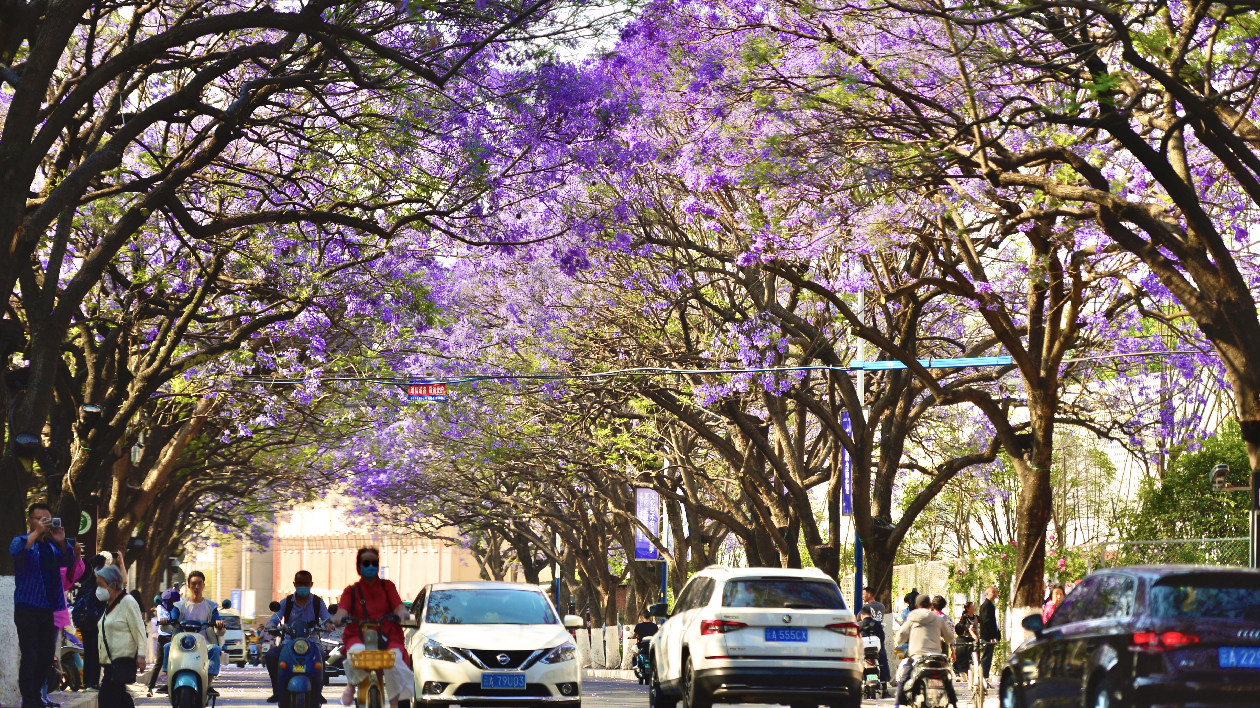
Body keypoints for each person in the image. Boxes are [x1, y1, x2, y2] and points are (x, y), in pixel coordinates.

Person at [329, 547, 413, 708]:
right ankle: (351, 685)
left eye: (374, 563)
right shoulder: (351, 591)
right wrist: (339, 617)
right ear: (359, 567)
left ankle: (396, 703)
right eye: (366, 563)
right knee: (356, 655)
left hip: (388, 636)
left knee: (396, 661)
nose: (370, 566)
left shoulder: (387, 586)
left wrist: (402, 613)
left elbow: (398, 606)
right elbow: (343, 609)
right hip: (357, 635)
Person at [9, 503, 73, 708]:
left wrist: (63, 542)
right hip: (27, 606)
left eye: (47, 519)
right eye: (39, 519)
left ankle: (37, 695)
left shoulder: (52, 545)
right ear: (30, 520)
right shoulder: (23, 541)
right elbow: (15, 551)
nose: (44, 523)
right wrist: (36, 533)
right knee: (31, 654)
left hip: (48, 608)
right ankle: (29, 700)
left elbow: (68, 560)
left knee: (46, 656)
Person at [265, 570, 334, 703]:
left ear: (311, 584)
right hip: (289, 644)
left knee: (321, 654)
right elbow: (275, 619)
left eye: (306, 584)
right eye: (300, 583)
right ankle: (277, 691)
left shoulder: (317, 602)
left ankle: (318, 691)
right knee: (272, 655)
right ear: (294, 584)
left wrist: (329, 625)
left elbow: (327, 619)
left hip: (312, 643)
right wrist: (271, 626)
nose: (303, 586)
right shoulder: (286, 602)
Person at [164, 571, 224, 696]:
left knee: (215, 649)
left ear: (203, 585)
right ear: (189, 586)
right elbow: (171, 623)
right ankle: (168, 682)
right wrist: (166, 622)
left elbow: (219, 628)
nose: (196, 587)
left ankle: (207, 685)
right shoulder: (179, 606)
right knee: (167, 647)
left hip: (204, 644)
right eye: (193, 584)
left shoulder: (211, 607)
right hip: (181, 644)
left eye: (199, 583)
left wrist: (219, 624)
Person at [96, 565, 147, 708]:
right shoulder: (108, 605)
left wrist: (141, 655)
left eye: (101, 585)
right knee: (118, 699)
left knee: (107, 697)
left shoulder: (128, 602)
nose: (98, 589)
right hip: (109, 664)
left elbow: (139, 630)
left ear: (112, 584)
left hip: (121, 662)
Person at [894, 594, 956, 708]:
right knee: (947, 680)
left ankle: (898, 705)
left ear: (917, 605)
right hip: (937, 658)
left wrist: (899, 642)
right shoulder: (938, 619)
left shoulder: (912, 618)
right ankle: (954, 703)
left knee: (903, 680)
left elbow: (900, 636)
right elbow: (950, 638)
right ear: (930, 605)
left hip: (917, 658)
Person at [73, 553, 107, 691]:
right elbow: (103, 596)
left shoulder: (85, 581)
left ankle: (87, 682)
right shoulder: (98, 580)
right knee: (95, 652)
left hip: (84, 620)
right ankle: (93, 682)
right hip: (95, 621)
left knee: (88, 652)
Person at [146, 589, 179, 695]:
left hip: (173, 637)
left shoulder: (177, 608)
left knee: (174, 662)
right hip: (164, 637)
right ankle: (150, 688)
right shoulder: (160, 608)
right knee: (159, 662)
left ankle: (172, 686)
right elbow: (163, 620)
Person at [860, 587, 890, 695]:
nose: (862, 596)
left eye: (864, 594)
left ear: (869, 594)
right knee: (883, 661)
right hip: (877, 639)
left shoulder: (866, 607)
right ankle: (885, 688)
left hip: (866, 639)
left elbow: (860, 619)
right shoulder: (881, 606)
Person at [977, 585, 1001, 689]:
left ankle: (984, 678)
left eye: (996, 592)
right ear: (987, 594)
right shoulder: (987, 605)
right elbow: (987, 622)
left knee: (988, 657)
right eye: (993, 592)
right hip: (987, 637)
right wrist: (991, 636)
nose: (995, 594)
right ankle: (983, 678)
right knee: (987, 657)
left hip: (989, 636)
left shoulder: (989, 605)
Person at [952, 601, 979, 682]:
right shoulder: (964, 619)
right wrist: (970, 631)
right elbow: (975, 639)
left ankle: (958, 674)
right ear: (967, 609)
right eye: (972, 607)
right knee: (968, 656)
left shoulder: (977, 617)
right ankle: (966, 674)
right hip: (969, 640)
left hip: (968, 641)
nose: (973, 608)